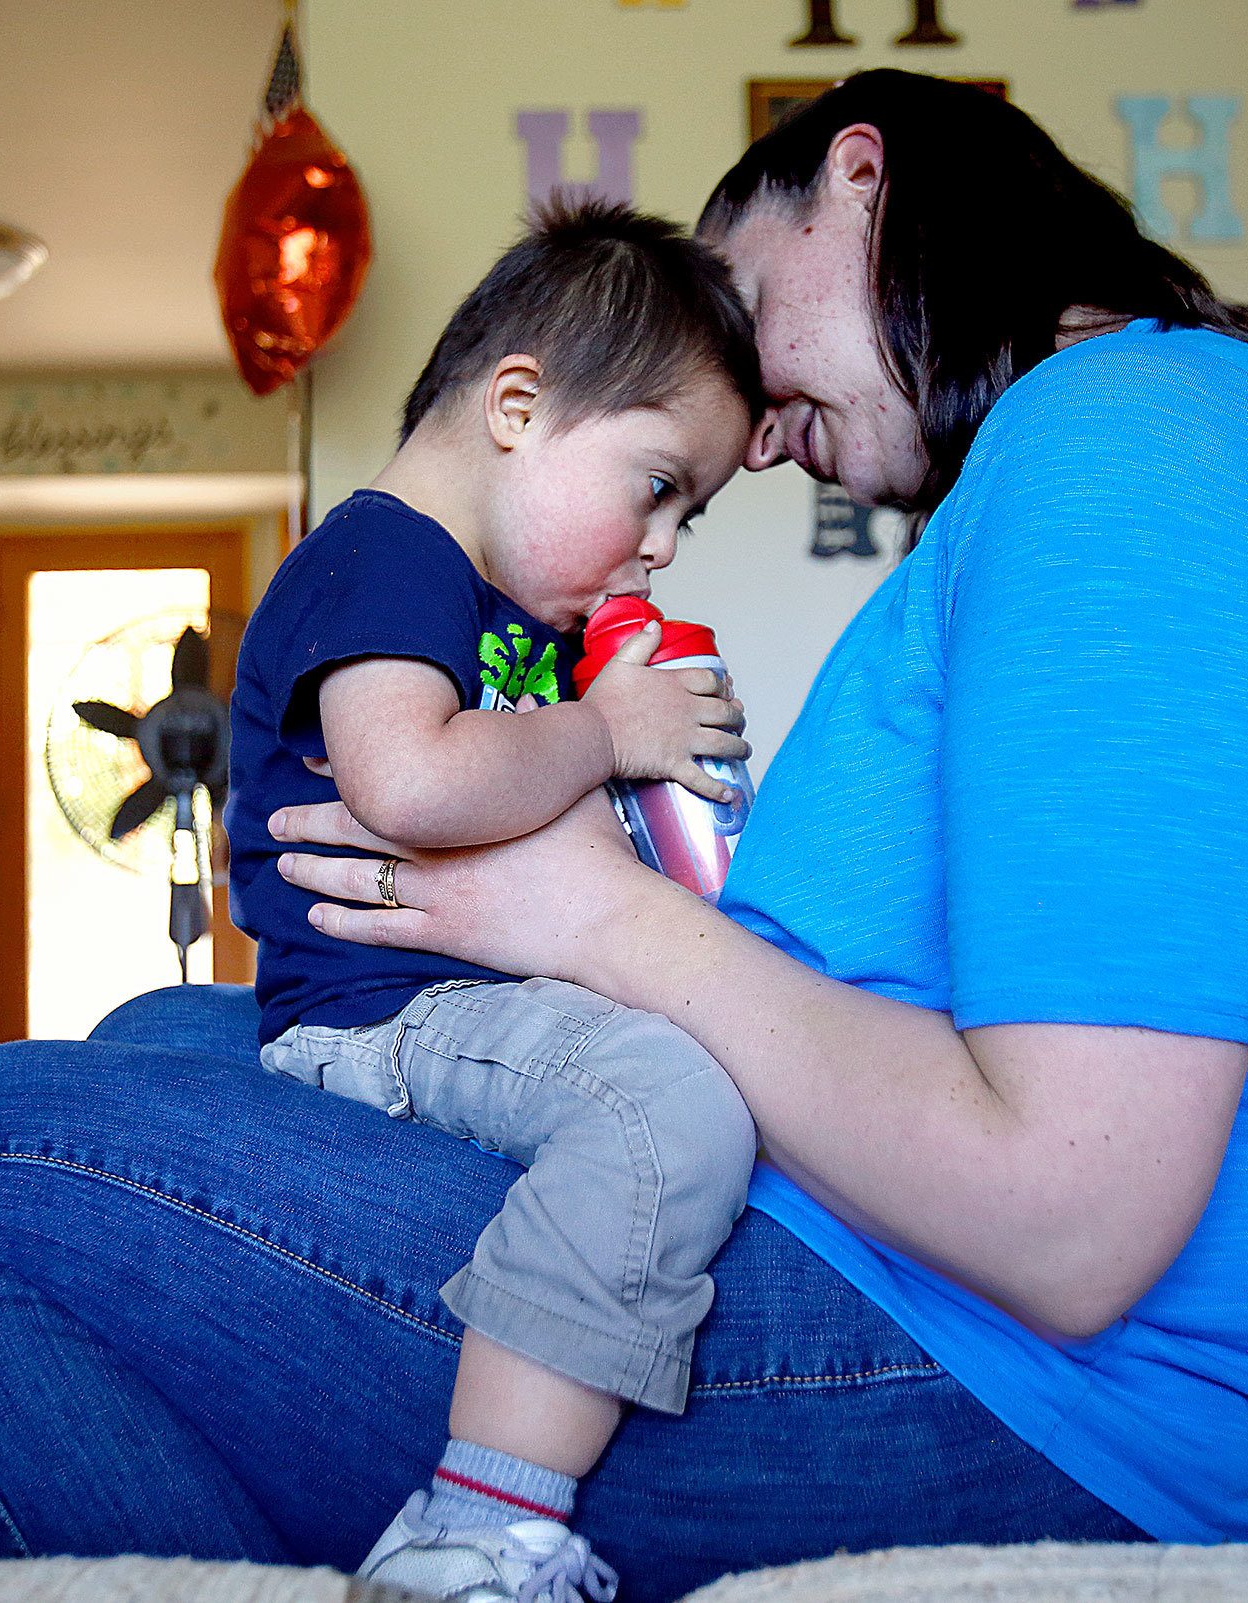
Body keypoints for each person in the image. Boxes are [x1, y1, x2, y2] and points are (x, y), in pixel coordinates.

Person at [0, 70, 1248, 1602]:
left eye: (741, 315)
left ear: (857, 180)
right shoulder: (1128, 445)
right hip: (933, 1270)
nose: (756, 437)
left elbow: (1072, 1216)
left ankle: (465, 1536)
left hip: (1112, 1400)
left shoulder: (1129, 447)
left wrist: (584, 919)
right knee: (164, 1034)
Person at [228, 199, 759, 1598]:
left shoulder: (506, 615)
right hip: (378, 1010)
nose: (659, 546)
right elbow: (407, 782)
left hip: (453, 992)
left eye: (687, 516)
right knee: (670, 1108)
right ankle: (480, 1521)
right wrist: (609, 734)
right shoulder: (389, 555)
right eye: (658, 486)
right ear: (517, 407)